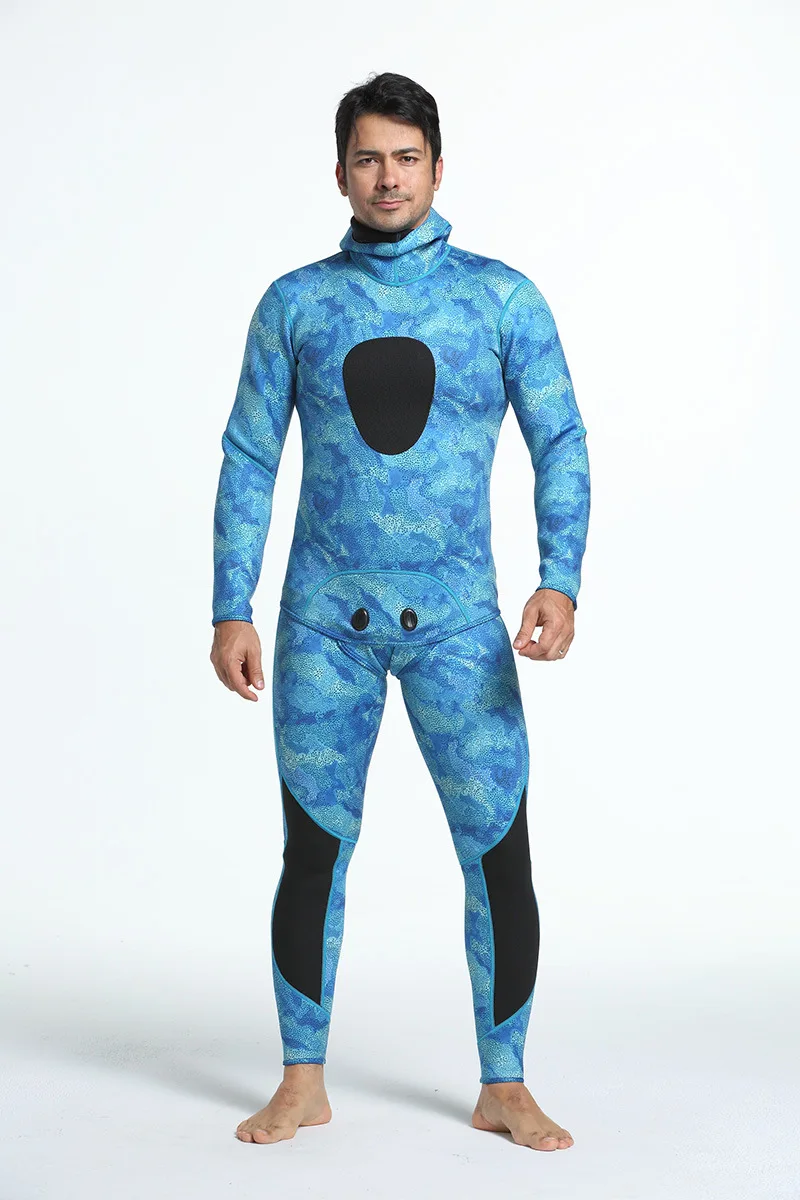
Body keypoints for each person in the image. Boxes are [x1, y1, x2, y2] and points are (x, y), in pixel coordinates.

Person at [210, 71, 590, 1151]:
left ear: (437, 167)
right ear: (339, 174)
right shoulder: (296, 303)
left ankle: (504, 1083)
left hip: (460, 630)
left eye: (406, 158)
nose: (387, 177)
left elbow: (559, 438)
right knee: (313, 852)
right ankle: (301, 1079)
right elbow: (249, 455)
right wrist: (230, 603)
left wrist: (558, 577)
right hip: (323, 625)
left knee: (497, 850)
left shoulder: (500, 299)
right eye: (368, 158)